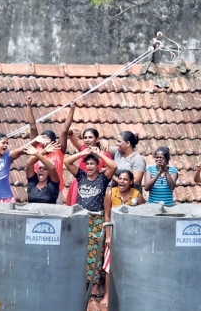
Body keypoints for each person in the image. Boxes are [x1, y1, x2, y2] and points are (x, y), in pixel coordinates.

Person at [64, 147, 117, 300]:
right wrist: (82, 154)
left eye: (92, 164)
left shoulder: (103, 178)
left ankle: (94, 284)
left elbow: (113, 167)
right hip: (81, 218)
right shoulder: (81, 176)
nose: (89, 167)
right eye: (87, 164)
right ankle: (79, 282)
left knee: (96, 252)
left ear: (98, 166)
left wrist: (99, 153)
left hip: (96, 219)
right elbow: (67, 162)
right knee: (80, 249)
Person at [100, 169, 143, 308]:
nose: (122, 182)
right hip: (114, 233)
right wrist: (108, 236)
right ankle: (107, 295)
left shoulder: (137, 195)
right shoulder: (111, 193)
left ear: (131, 182)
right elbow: (107, 216)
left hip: (131, 237)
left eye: (125, 179)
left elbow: (142, 216)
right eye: (120, 179)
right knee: (109, 266)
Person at [26, 97, 75, 203]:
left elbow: (64, 130)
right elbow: (33, 127)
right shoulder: (36, 148)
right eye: (44, 141)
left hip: (55, 190)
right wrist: (29, 105)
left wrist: (72, 109)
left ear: (54, 142)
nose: (46, 144)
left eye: (49, 142)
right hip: (37, 188)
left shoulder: (58, 150)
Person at [66, 127, 111, 206]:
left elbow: (111, 168)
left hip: (95, 187)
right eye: (85, 137)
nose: (87, 140)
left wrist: (104, 169)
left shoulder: (104, 154)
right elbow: (68, 133)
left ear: (97, 139)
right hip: (79, 183)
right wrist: (72, 129)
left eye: (90, 137)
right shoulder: (83, 148)